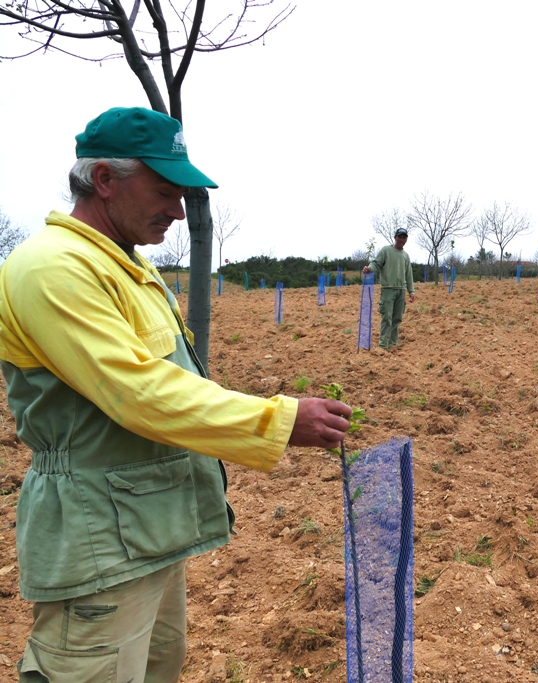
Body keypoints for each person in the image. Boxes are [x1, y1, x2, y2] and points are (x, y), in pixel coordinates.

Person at [0, 106, 354, 683]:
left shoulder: (128, 266)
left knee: (156, 667)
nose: (178, 210)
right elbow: (139, 392)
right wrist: (278, 421)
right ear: (105, 180)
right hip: (97, 535)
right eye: (165, 191)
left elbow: (171, 380)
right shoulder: (53, 267)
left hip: (145, 527)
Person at [362, 227, 416, 350]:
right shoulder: (386, 251)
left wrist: (411, 291)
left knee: (397, 318)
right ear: (395, 237)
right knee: (387, 317)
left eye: (404, 237)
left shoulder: (406, 256)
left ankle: (393, 344)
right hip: (388, 290)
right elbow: (376, 264)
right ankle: (383, 345)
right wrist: (369, 269)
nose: (402, 239)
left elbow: (409, 274)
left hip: (401, 290)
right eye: (400, 237)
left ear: (406, 239)